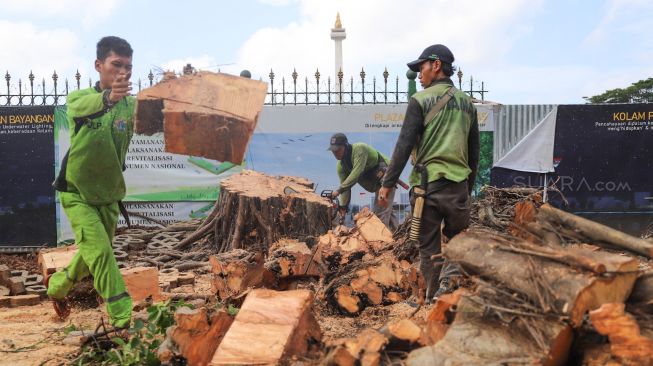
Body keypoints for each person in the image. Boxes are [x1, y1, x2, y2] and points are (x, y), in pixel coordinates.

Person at [46, 36, 136, 331]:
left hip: (109, 196)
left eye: (128, 67)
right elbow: (88, 106)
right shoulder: (79, 100)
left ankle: (58, 285)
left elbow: (162, 116)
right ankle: (123, 317)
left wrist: (176, 88)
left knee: (91, 254)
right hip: (77, 195)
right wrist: (110, 98)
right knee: (101, 254)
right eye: (116, 65)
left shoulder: (130, 107)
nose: (122, 72)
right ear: (99, 66)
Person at [378, 44, 479, 302]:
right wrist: (467, 190)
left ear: (436, 65)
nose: (419, 74)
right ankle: (451, 295)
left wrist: (387, 184)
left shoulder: (420, 100)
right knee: (457, 244)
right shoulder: (468, 104)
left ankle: (430, 298)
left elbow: (403, 145)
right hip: (457, 189)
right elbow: (473, 152)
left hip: (427, 188)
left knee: (429, 247)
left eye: (421, 67)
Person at [328, 133, 398, 230]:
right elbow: (345, 188)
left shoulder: (359, 149)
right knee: (387, 213)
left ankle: (382, 243)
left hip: (386, 177)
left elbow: (356, 173)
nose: (335, 153)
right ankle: (398, 237)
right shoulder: (341, 166)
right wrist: (343, 207)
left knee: (380, 217)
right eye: (333, 151)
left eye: (338, 150)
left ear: (346, 146)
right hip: (376, 184)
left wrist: (338, 191)